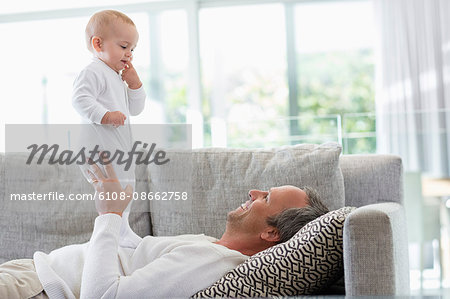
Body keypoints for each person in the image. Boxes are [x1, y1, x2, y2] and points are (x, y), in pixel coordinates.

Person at [0, 158, 329, 299]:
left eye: (266, 197)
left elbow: (103, 297)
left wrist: (109, 215)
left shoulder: (213, 262)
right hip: (32, 274)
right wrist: (116, 197)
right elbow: (130, 252)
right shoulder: (207, 244)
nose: (253, 193)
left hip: (39, 287)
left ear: (272, 233)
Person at [71, 9, 146, 245]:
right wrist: (105, 116)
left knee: (127, 187)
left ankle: (122, 229)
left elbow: (135, 109)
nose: (129, 54)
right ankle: (112, 232)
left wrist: (134, 86)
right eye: (124, 46)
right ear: (98, 43)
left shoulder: (116, 76)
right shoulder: (93, 71)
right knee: (114, 189)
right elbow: (80, 100)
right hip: (98, 150)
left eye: (132, 49)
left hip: (117, 148)